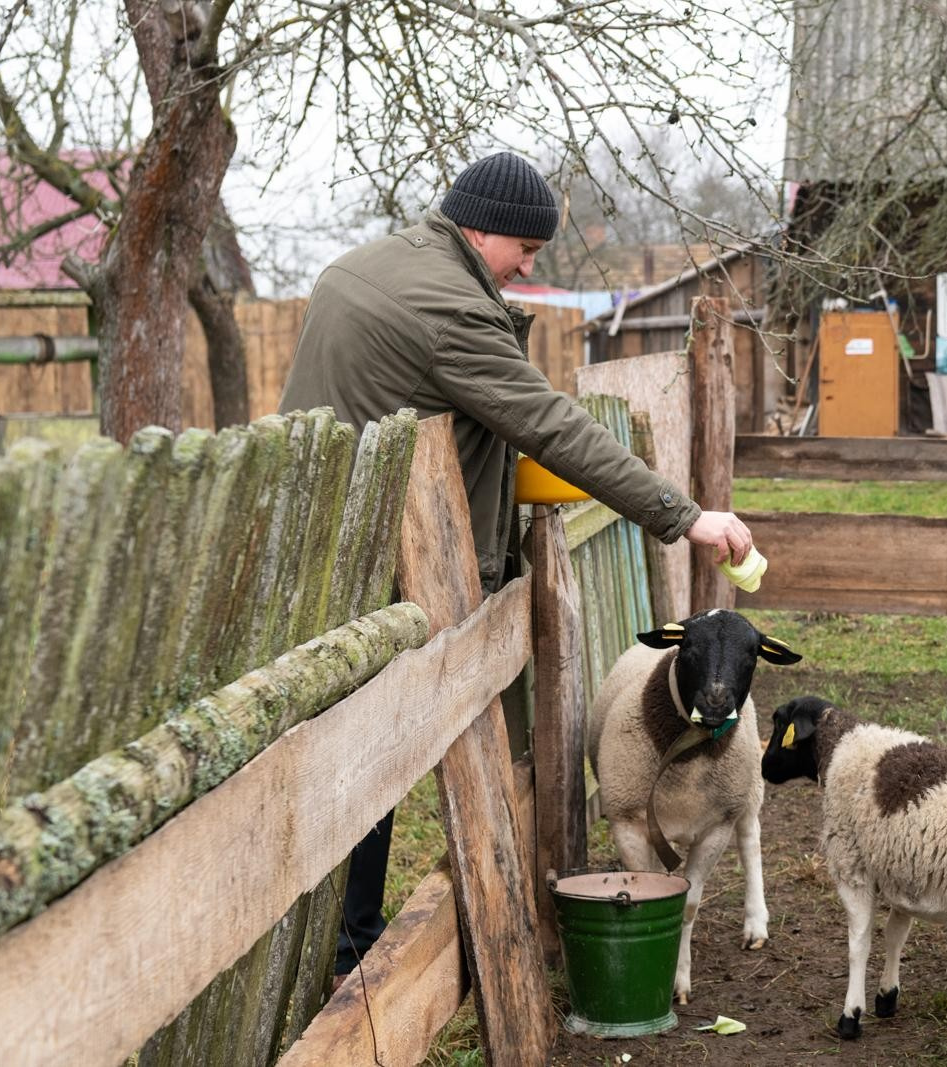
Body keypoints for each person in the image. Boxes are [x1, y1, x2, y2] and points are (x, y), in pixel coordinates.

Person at [279, 151, 755, 983]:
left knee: (354, 750)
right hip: (397, 560)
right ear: (482, 227)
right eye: (525, 249)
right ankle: (361, 948)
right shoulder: (446, 307)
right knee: (383, 757)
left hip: (327, 541)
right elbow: (548, 422)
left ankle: (349, 935)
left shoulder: (367, 265)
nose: (531, 267)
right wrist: (684, 515)